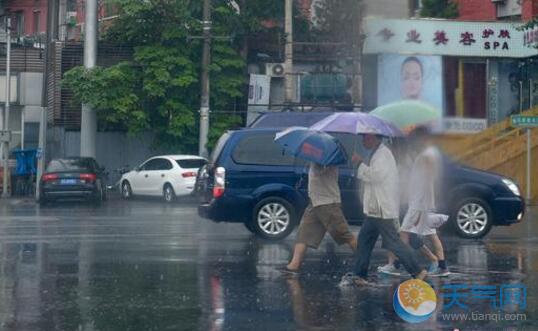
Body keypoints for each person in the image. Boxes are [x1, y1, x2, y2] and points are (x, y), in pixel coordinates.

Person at [344, 134, 427, 286]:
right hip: (376, 209)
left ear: (374, 138)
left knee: (393, 243)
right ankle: (359, 274)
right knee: (364, 240)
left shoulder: (383, 154)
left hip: (382, 208)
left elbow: (376, 176)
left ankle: (417, 271)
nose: (363, 141)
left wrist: (359, 164)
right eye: (362, 138)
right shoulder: (376, 153)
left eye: (366, 138)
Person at [280, 163, 358, 275]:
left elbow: (320, 173)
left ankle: (363, 260)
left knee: (343, 234)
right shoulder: (317, 159)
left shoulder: (327, 160)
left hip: (327, 203)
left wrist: (314, 166)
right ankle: (294, 265)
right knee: (304, 234)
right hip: (315, 201)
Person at [378, 140, 440, 276]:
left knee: (407, 237)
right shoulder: (395, 160)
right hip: (394, 202)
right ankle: (392, 264)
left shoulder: (407, 161)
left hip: (405, 203)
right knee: (392, 235)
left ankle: (429, 259)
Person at [399, 127, 449, 276]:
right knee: (430, 235)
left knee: (404, 232)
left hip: (419, 204)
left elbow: (428, 180)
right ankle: (441, 265)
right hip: (421, 202)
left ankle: (401, 263)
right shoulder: (427, 153)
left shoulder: (427, 155)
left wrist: (426, 204)